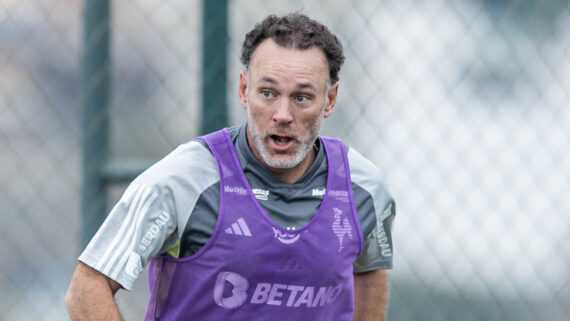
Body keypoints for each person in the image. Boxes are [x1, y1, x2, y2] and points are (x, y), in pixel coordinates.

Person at [66, 12, 395, 321]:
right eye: (267, 93)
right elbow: (87, 287)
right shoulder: (184, 179)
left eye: (302, 98)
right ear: (243, 90)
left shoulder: (363, 187)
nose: (282, 114)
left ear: (330, 100)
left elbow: (370, 272)